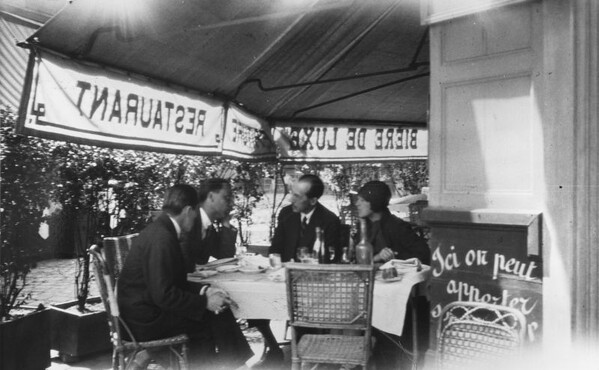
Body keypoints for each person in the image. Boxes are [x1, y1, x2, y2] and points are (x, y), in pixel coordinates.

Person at [117, 184, 253, 369]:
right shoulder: (162, 239)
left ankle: (234, 365)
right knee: (209, 319)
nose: (196, 217)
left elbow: (174, 281)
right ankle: (231, 365)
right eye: (195, 212)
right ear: (188, 210)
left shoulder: (162, 230)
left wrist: (206, 291)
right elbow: (164, 294)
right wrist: (204, 302)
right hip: (143, 320)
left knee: (217, 311)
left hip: (145, 309)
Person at [354, 180, 431, 370]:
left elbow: (423, 254)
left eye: (361, 200)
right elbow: (353, 259)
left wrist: (393, 256)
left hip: (394, 297)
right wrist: (377, 257)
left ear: (374, 203)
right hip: (369, 289)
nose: (357, 204)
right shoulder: (362, 227)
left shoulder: (397, 227)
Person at [270, 174, 341, 263]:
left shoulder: (329, 221)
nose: (291, 199)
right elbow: (275, 249)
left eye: (297, 196)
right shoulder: (286, 214)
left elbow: (328, 259)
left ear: (313, 201)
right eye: (292, 193)